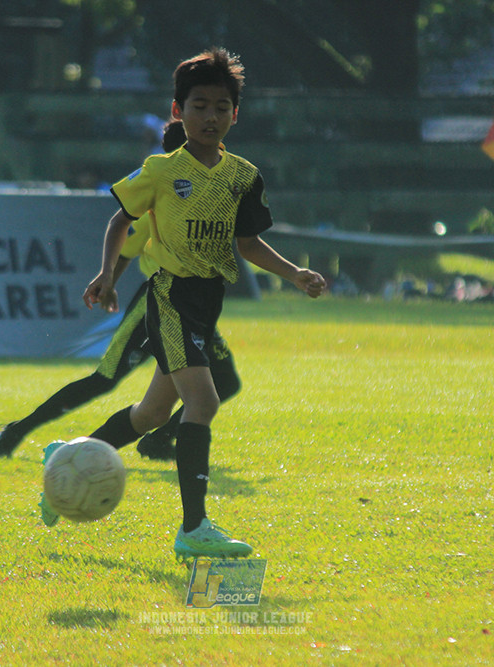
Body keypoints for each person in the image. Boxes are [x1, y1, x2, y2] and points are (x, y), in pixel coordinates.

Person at [81, 48, 326, 559]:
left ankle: (74, 458)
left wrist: (294, 273)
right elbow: (120, 220)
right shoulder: (161, 170)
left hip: (207, 303)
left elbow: (248, 244)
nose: (210, 116)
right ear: (178, 111)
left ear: (236, 114)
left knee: (151, 413)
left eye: (220, 107)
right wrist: (106, 275)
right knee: (205, 401)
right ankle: (193, 528)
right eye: (199, 106)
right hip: (170, 296)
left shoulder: (242, 176)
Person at [0, 120, 241, 463]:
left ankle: (158, 441)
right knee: (105, 379)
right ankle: (19, 430)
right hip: (157, 303)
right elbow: (125, 241)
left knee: (225, 381)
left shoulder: (208, 190)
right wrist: (107, 280)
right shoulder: (163, 196)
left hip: (195, 308)